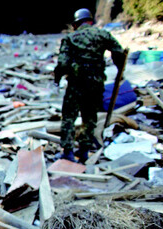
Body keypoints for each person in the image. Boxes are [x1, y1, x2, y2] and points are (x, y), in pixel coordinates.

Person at [54, 8, 125, 163]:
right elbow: (118, 52)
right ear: (90, 21)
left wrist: (58, 78)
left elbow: (63, 63)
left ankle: (68, 151)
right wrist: (120, 70)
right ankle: (84, 150)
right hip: (95, 84)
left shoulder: (70, 38)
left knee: (69, 117)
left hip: (76, 85)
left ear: (76, 23)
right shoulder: (102, 35)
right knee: (89, 117)